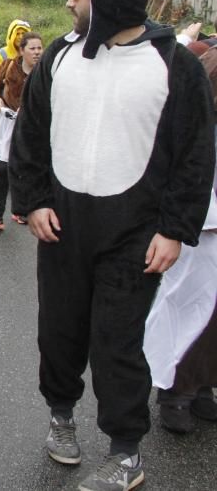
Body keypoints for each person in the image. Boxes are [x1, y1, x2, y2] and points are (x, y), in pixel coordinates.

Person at [10, 0, 215, 491]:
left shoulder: (175, 65)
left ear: (105, 2)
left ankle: (126, 452)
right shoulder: (59, 55)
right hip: (62, 224)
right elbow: (29, 133)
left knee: (117, 343)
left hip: (135, 233)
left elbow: (196, 153)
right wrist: (32, 201)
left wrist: (175, 229)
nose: (70, 3)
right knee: (59, 332)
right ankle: (60, 416)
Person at [143, 42, 217, 434]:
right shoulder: (198, 113)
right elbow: (188, 167)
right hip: (200, 228)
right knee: (186, 305)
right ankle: (174, 389)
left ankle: (202, 385)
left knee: (214, 316)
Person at [0, 31, 42, 231]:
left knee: (26, 169)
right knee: (3, 168)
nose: (37, 52)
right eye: (32, 48)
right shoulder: (10, 66)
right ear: (22, 50)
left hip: (33, 127)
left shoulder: (45, 72)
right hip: (9, 123)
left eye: (39, 48)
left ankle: (21, 210)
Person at [0, 19, 31, 185]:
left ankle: (12, 173)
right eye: (18, 34)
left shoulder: (31, 56)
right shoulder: (3, 54)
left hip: (19, 105)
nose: (20, 37)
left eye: (24, 34)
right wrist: (0, 94)